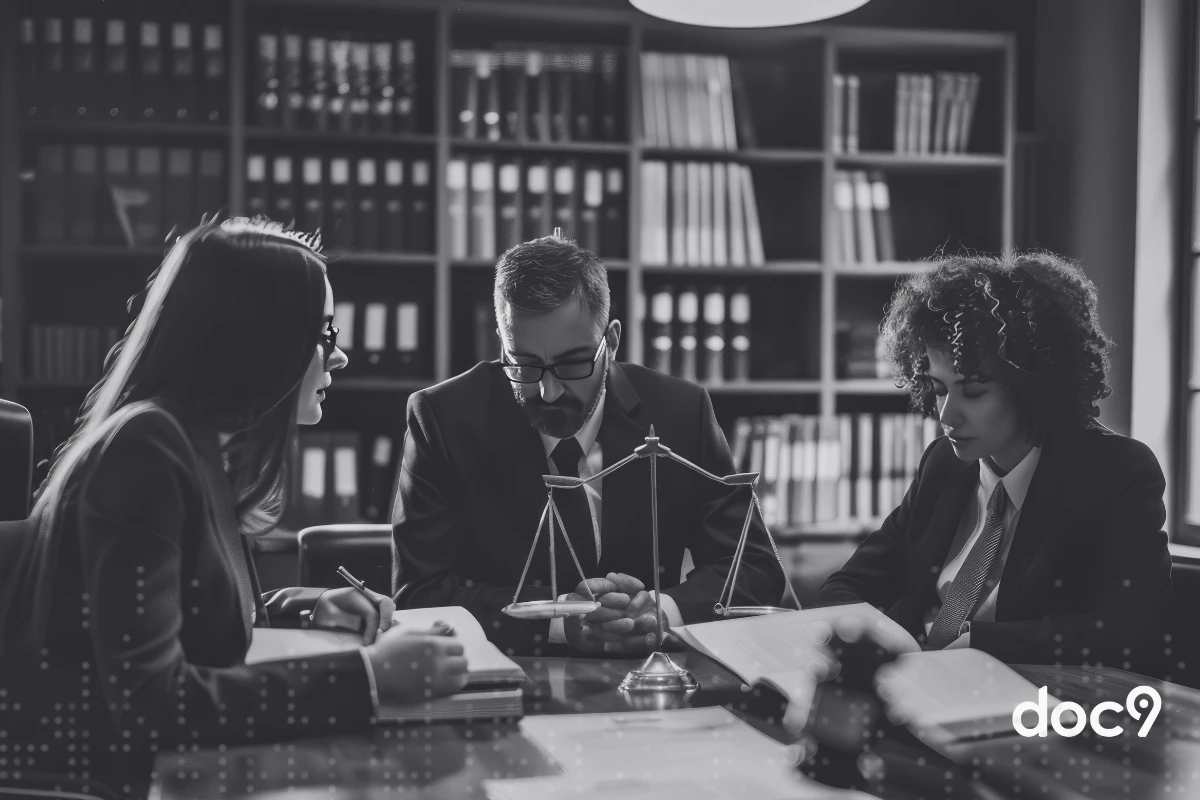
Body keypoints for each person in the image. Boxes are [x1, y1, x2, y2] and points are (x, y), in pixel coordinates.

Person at [0, 218, 468, 798]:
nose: (338, 357)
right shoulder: (146, 450)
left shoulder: (197, 448)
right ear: (258, 339)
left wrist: (308, 608)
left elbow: (195, 614)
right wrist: (369, 676)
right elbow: (152, 702)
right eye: (322, 333)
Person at [391, 236, 786, 657]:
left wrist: (664, 611)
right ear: (501, 343)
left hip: (654, 672)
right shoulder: (442, 417)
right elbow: (418, 593)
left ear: (611, 342)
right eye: (523, 364)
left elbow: (755, 567)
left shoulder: (679, 411)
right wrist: (560, 621)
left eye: (573, 363)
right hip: (512, 670)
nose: (548, 390)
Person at [810, 251, 1171, 673]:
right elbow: (849, 584)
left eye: (974, 392)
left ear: (1033, 385)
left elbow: (1131, 632)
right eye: (938, 389)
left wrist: (980, 644)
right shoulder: (944, 463)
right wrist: (865, 637)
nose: (946, 416)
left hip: (1035, 705)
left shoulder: (1114, 472)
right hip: (913, 688)